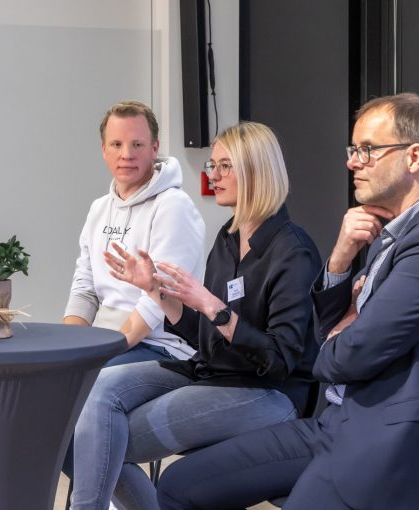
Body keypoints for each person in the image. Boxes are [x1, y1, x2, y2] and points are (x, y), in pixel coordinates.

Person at [157, 93, 419, 510]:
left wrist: (342, 327)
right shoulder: (385, 232)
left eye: (367, 150)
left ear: (414, 157)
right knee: (178, 485)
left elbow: (340, 359)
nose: (353, 161)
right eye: (353, 150)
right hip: (335, 422)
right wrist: (339, 259)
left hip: (397, 439)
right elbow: (332, 337)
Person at [71, 122, 321, 510]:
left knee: (101, 441)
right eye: (212, 165)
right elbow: (200, 335)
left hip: (266, 392)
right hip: (210, 371)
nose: (212, 176)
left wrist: (212, 307)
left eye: (225, 167)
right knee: (98, 397)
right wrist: (155, 290)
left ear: (255, 171)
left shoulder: (294, 251)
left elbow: (280, 361)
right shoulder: (227, 239)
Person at [63, 100, 205, 366]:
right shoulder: (98, 209)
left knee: (87, 384)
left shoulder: (173, 206)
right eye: (116, 145)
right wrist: (68, 349)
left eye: (137, 144)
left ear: (154, 148)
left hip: (161, 346)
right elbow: (84, 289)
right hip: (106, 340)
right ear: (104, 150)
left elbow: (156, 300)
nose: (126, 154)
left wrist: (100, 355)